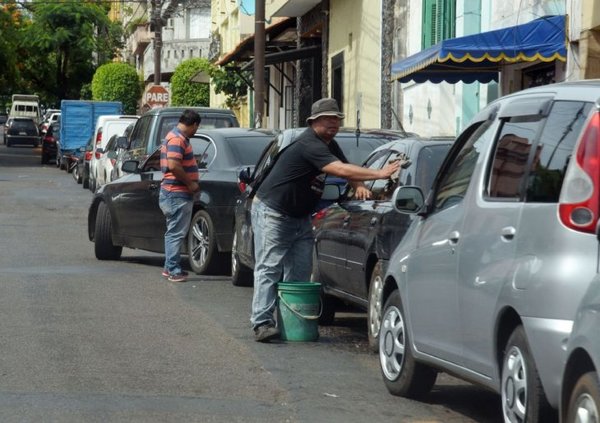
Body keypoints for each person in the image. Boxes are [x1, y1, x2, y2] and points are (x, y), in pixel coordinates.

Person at [250, 98, 403, 342]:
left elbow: (343, 166)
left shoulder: (329, 144)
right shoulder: (309, 144)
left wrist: (360, 184)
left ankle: (291, 323)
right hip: (273, 211)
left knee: (300, 271)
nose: (333, 123)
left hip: (300, 215)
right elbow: (339, 170)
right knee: (269, 267)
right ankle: (261, 323)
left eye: (337, 119)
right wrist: (380, 173)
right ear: (314, 122)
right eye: (327, 119)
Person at [159, 109, 201, 283]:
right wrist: (190, 183)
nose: (196, 131)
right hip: (177, 193)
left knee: (173, 231)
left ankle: (169, 267)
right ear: (194, 124)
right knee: (176, 233)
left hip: (172, 193)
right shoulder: (177, 139)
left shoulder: (173, 136)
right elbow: (174, 165)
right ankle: (174, 270)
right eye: (196, 128)